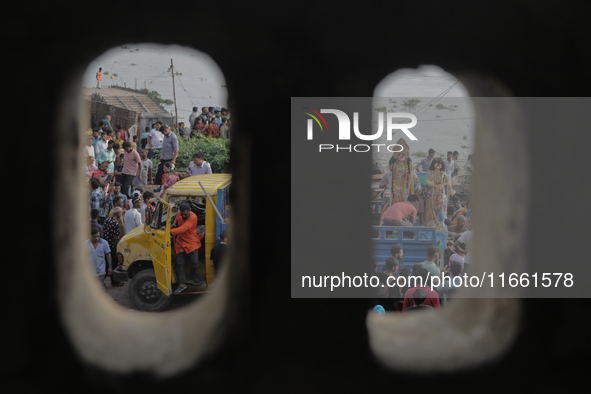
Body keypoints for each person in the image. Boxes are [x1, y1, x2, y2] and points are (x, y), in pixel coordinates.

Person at [171, 202, 205, 293]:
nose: (183, 216)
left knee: (195, 262)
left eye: (185, 214)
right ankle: (182, 283)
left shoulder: (193, 217)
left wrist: (169, 231)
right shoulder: (179, 213)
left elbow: (183, 228)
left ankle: (193, 274)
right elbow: (176, 219)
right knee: (180, 263)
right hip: (180, 242)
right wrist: (174, 223)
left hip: (192, 242)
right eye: (182, 214)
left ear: (189, 211)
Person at [379, 138, 421, 212]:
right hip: (392, 192)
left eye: (403, 154)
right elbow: (382, 183)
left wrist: (418, 183)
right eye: (399, 154)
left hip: (404, 191)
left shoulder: (409, 168)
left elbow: (413, 174)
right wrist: (387, 185)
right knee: (389, 207)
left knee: (404, 206)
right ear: (395, 156)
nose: (401, 156)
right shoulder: (391, 168)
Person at [422, 157, 455, 224]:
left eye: (439, 164)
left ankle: (440, 222)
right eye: (436, 164)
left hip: (440, 193)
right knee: (430, 207)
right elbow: (427, 181)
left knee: (441, 208)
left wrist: (451, 189)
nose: (438, 165)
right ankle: (429, 221)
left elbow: (448, 181)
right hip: (431, 192)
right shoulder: (430, 172)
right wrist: (434, 185)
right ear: (433, 164)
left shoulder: (443, 173)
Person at [103, 207, 124, 287]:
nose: (121, 215)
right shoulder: (115, 222)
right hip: (112, 247)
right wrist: (116, 248)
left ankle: (101, 280)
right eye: (120, 213)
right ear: (118, 213)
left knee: (107, 263)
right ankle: (115, 282)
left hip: (106, 245)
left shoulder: (107, 220)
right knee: (114, 264)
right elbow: (115, 237)